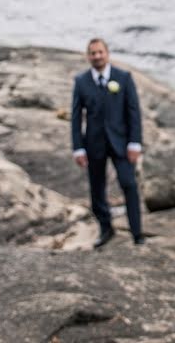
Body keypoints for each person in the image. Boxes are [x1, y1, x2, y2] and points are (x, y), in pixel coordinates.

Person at [71, 38, 145, 247]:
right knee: (97, 189)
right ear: (88, 56)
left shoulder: (123, 77)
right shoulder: (81, 81)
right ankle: (106, 228)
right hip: (93, 144)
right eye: (93, 53)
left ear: (107, 53)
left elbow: (133, 112)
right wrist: (78, 147)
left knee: (129, 184)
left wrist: (135, 143)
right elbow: (76, 117)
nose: (97, 56)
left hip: (121, 143)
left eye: (100, 52)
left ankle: (137, 233)